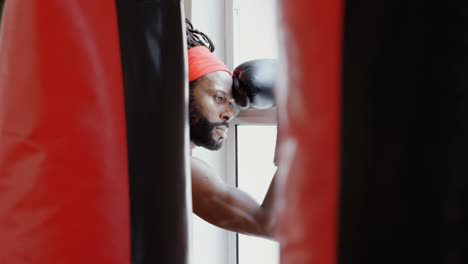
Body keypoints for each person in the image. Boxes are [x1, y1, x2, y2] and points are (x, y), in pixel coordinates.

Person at [186, 19, 277, 239]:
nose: (228, 114)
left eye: (231, 103)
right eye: (219, 98)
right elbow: (269, 224)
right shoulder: (167, 160)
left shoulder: (180, 165)